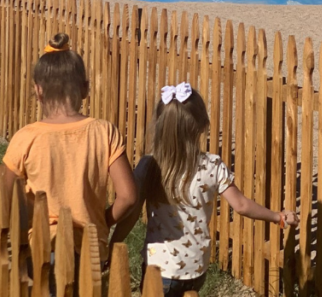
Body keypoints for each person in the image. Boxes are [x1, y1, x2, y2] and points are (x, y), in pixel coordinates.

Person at [112, 84, 296, 296]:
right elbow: (242, 206)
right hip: (195, 270)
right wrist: (278, 216)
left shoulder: (149, 166)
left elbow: (132, 212)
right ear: (201, 126)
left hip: (158, 270)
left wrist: (114, 241)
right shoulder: (213, 166)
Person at [1, 33, 137, 263]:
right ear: (85, 88)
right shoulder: (105, 132)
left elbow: (5, 197)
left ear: (38, 90)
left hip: (43, 246)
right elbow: (128, 197)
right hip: (90, 248)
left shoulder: (25, 138)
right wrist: (102, 221)